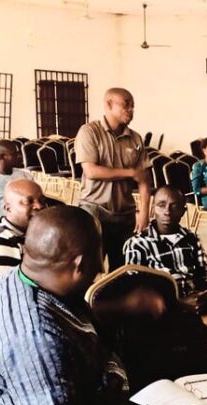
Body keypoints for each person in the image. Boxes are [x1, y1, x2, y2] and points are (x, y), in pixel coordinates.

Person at [0, 206, 207, 405]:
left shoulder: (24, 278)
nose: (100, 268)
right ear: (79, 264)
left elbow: (63, 321)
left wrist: (123, 306)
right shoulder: (33, 338)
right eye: (98, 258)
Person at [76, 87, 152, 271]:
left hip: (124, 213)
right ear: (108, 104)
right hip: (95, 209)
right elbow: (91, 171)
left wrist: (144, 212)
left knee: (123, 269)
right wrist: (130, 172)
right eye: (126, 105)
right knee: (91, 268)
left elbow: (144, 179)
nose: (131, 110)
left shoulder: (135, 138)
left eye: (133, 106)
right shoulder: (89, 132)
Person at [124, 186, 207, 313]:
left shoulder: (191, 238)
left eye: (174, 206)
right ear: (153, 208)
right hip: (162, 311)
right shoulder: (137, 244)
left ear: (183, 211)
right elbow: (137, 289)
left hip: (196, 305)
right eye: (161, 205)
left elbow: (205, 273)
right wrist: (179, 303)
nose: (167, 212)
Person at [0, 179, 46, 288]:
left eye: (42, 201)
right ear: (8, 208)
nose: (39, 206)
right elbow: (3, 300)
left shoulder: (34, 233)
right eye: (28, 202)